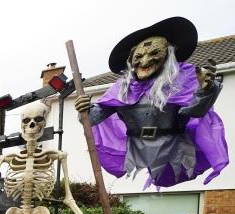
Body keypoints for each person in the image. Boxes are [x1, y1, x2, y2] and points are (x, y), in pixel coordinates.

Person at [74, 16, 228, 189]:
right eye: (139, 56)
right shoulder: (122, 88)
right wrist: (84, 110)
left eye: (154, 53)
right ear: (131, 59)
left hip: (172, 146)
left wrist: (205, 92)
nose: (145, 61)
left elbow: (196, 112)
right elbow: (92, 118)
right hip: (137, 147)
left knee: (172, 172)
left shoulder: (183, 80)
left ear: (168, 54)